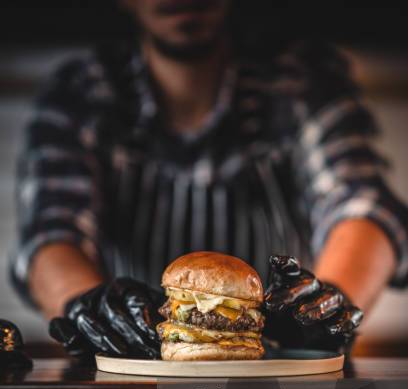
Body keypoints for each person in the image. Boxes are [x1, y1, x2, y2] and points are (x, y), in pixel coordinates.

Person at [9, 0, 408, 357]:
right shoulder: (80, 95)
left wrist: (324, 305)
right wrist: (89, 308)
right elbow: (52, 232)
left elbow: (361, 203)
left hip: (281, 373)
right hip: (133, 377)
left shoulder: (303, 83)